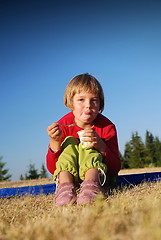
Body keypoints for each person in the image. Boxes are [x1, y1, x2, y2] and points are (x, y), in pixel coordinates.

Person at [46, 73, 121, 206]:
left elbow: (115, 168)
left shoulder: (107, 127)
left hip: (100, 178)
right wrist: (55, 142)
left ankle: (91, 185)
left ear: (100, 103)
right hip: (71, 179)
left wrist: (101, 146)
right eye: (81, 99)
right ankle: (64, 188)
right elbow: (52, 169)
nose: (88, 105)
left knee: (88, 144)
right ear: (71, 103)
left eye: (94, 100)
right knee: (69, 142)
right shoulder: (63, 125)